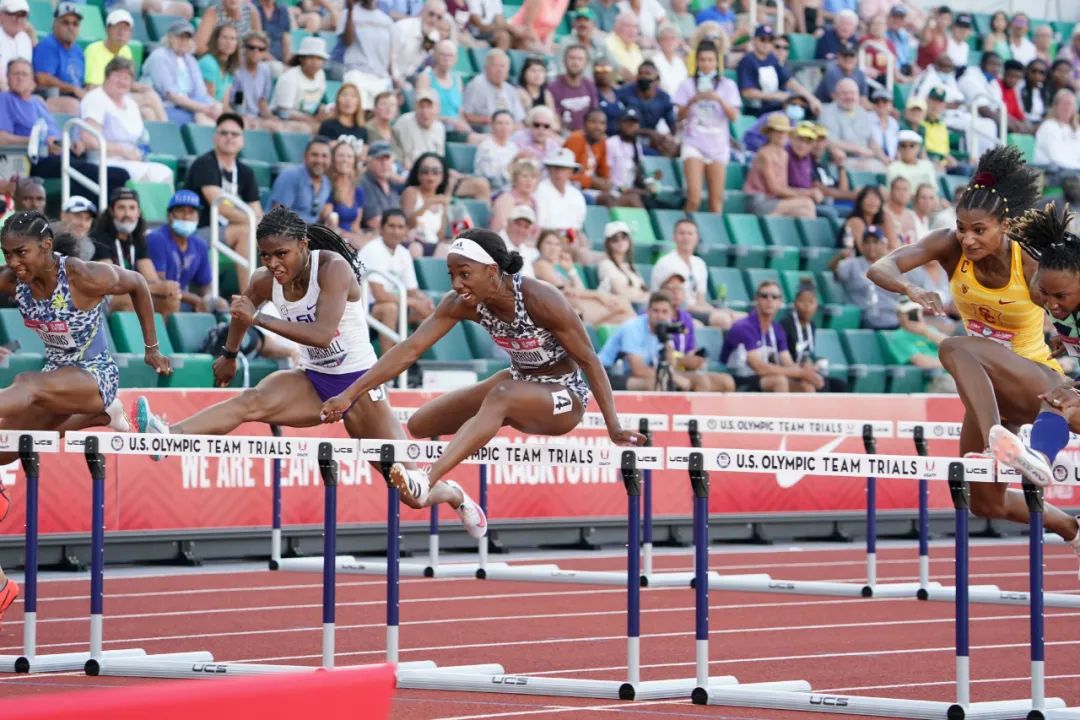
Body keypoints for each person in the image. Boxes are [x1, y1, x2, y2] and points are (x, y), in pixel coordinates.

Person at [135, 206, 486, 536]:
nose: (273, 264)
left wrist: (258, 318)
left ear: (303, 245)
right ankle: (167, 436)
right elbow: (243, 311)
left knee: (411, 492)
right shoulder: (264, 280)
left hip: (360, 385)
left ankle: (453, 493)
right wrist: (229, 353)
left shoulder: (333, 269)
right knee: (251, 401)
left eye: (281, 254)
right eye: (266, 256)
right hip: (313, 380)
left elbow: (321, 334)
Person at [319, 229, 646, 502]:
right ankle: (465, 474)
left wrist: (613, 425)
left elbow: (590, 360)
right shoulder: (462, 305)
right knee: (420, 425)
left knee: (501, 392)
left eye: (465, 274)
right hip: (518, 382)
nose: (457, 285)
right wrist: (350, 393)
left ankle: (428, 479)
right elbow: (410, 348)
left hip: (564, 396)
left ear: (492, 271)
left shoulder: (540, 300)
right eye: (451, 276)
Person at [865, 146, 1080, 547]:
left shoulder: (1028, 264)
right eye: (962, 227)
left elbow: (1064, 305)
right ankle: (1071, 528)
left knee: (953, 347)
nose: (967, 238)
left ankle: (1001, 435)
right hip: (988, 391)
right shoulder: (949, 247)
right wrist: (912, 287)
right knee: (984, 501)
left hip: (1034, 381)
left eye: (979, 230)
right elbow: (880, 266)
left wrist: (1064, 348)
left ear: (1004, 226)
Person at [0, 210, 169, 625]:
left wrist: (151, 347)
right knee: (5, 453)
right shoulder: (12, 281)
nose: (13, 262)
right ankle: (101, 417)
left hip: (94, 374)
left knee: (27, 382)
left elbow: (139, 283)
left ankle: (103, 406)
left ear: (45, 247)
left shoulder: (81, 276)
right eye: (6, 254)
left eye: (20, 253)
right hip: (57, 381)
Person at [184, 112, 262, 289]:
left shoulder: (245, 172)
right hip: (197, 231)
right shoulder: (205, 164)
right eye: (224, 133)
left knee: (274, 239)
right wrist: (254, 221)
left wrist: (259, 222)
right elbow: (219, 206)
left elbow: (256, 208)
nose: (229, 138)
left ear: (242, 141)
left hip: (228, 230)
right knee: (246, 232)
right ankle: (248, 300)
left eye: (235, 134)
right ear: (214, 137)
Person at [720, 280, 823, 392]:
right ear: (756, 299)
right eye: (764, 296)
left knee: (806, 386)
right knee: (779, 381)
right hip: (738, 378)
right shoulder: (744, 327)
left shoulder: (777, 329)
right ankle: (780, 410)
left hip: (762, 378)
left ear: (780, 302)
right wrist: (799, 372)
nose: (769, 300)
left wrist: (808, 372)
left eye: (774, 297)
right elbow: (759, 367)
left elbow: (787, 363)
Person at [673, 40, 740, 214]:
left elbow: (734, 116)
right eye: (702, 60)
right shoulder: (687, 84)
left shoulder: (727, 85)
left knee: (716, 200)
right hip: (694, 142)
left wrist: (718, 99)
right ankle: (685, 228)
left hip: (718, 144)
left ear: (716, 62)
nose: (706, 64)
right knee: (694, 197)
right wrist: (692, 101)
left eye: (710, 60)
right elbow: (678, 116)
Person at [91, 187, 181, 315]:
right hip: (103, 298)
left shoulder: (138, 239)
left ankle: (158, 335)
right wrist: (155, 288)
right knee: (129, 300)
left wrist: (166, 288)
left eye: (132, 208)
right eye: (121, 208)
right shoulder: (99, 237)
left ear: (138, 212)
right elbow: (111, 283)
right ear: (111, 211)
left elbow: (152, 278)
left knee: (170, 298)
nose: (127, 214)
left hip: (132, 292)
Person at [358, 209, 435, 352]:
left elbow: (412, 291)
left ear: (406, 230)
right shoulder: (373, 250)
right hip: (362, 310)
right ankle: (388, 369)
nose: (396, 231)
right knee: (389, 308)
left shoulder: (403, 253)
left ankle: (414, 360)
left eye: (400, 227)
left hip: (389, 307)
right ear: (382, 228)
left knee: (427, 308)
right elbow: (379, 295)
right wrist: (414, 302)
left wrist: (425, 302)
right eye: (391, 226)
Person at [146, 190, 221, 313]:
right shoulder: (156, 238)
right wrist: (196, 300)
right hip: (155, 298)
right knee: (170, 299)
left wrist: (207, 299)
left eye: (191, 212)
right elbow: (162, 285)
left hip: (183, 300)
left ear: (198, 217)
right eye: (181, 211)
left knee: (220, 305)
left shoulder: (200, 244)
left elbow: (205, 284)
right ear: (170, 215)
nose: (186, 216)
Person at [779, 281, 847, 392]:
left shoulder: (812, 326)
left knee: (838, 384)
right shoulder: (785, 325)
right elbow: (782, 358)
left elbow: (806, 354)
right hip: (790, 372)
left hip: (806, 370)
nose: (807, 306)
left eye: (811, 302)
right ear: (795, 303)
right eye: (802, 301)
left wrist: (814, 365)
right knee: (808, 386)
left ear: (816, 305)